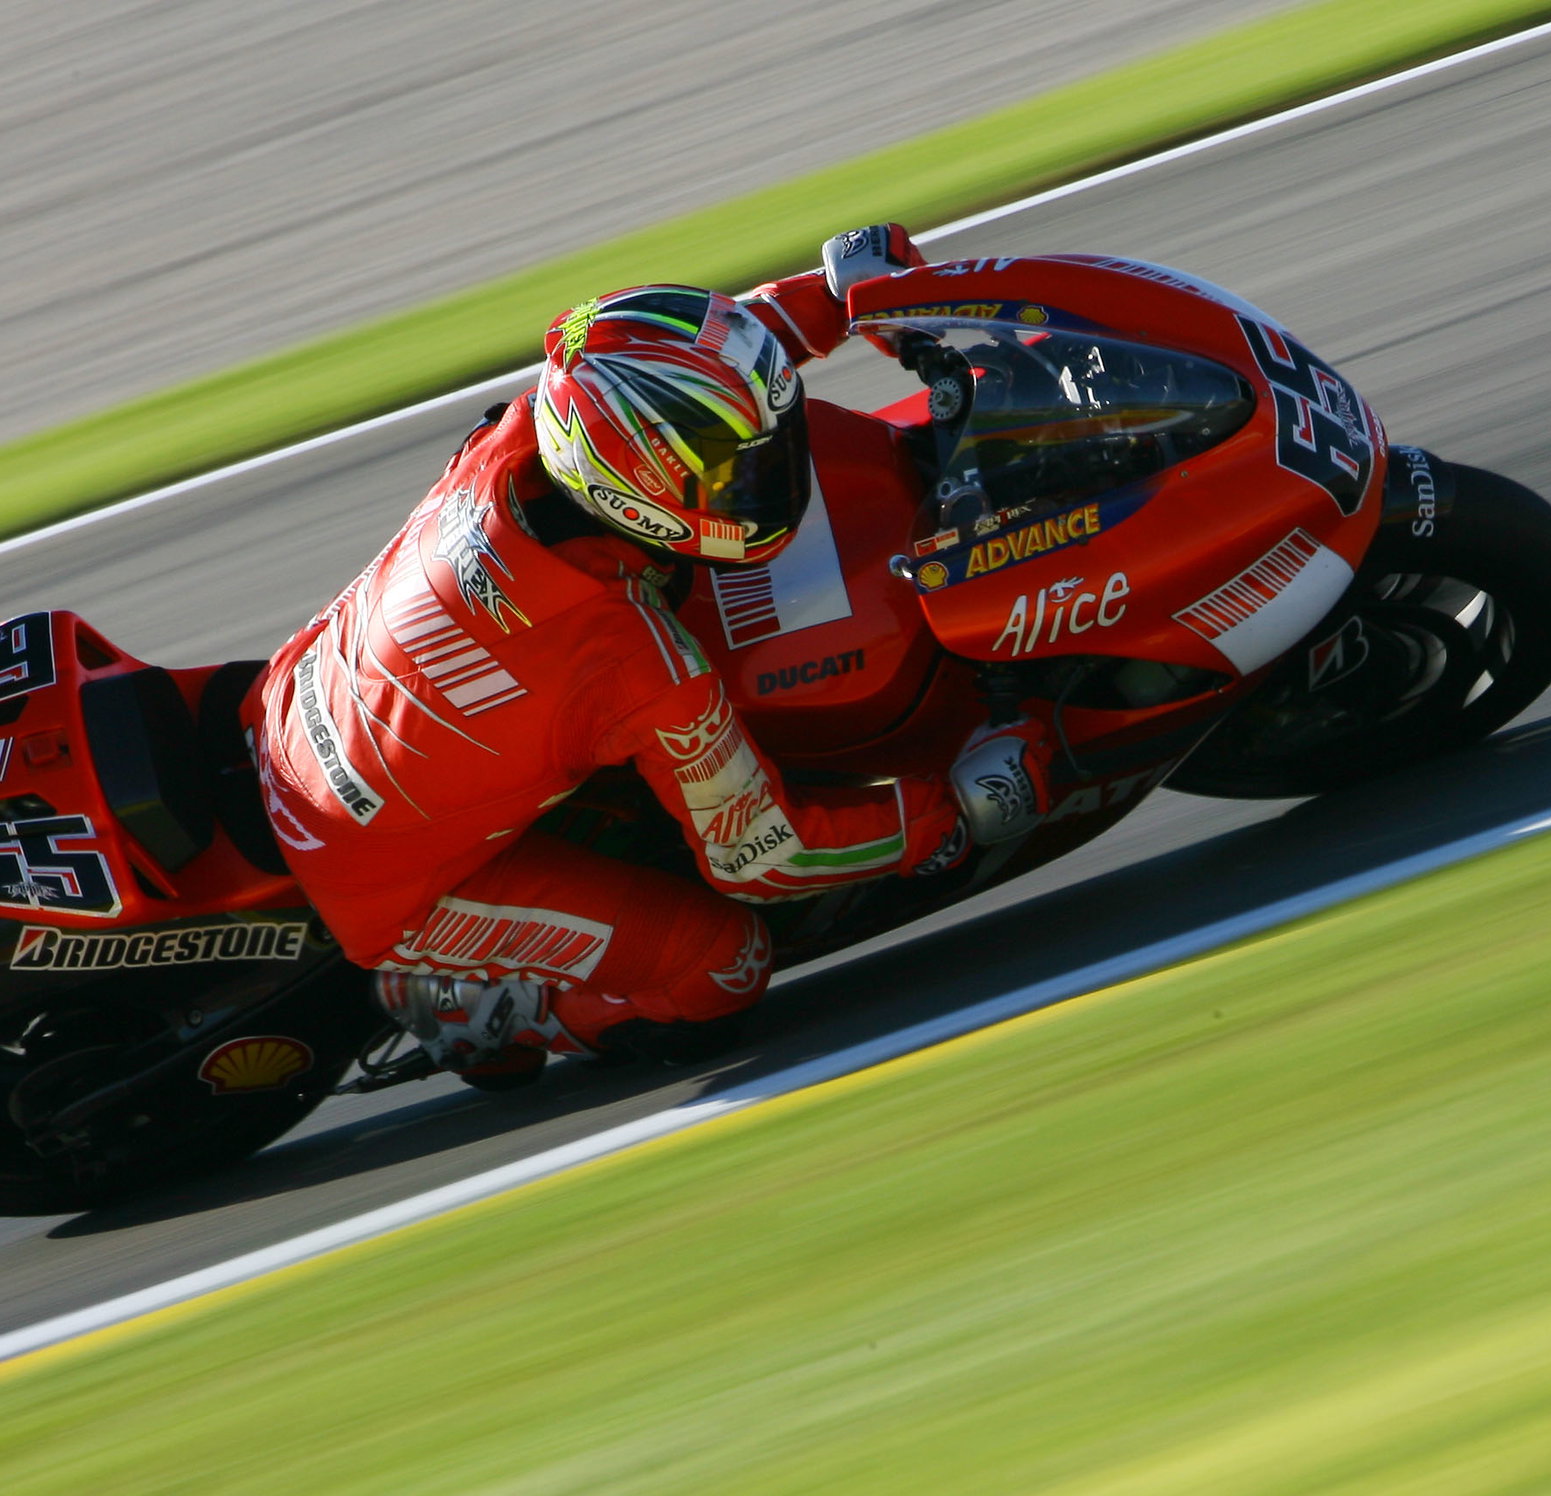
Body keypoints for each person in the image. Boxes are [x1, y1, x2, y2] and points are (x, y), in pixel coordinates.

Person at [248, 225, 1050, 1085]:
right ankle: (475, 1003)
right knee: (720, 965)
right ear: (634, 488)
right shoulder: (631, 662)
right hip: (381, 877)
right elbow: (765, 857)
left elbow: (689, 373)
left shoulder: (529, 432)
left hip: (300, 704)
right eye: (728, 473)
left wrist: (835, 296)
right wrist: (947, 814)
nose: (763, 471)